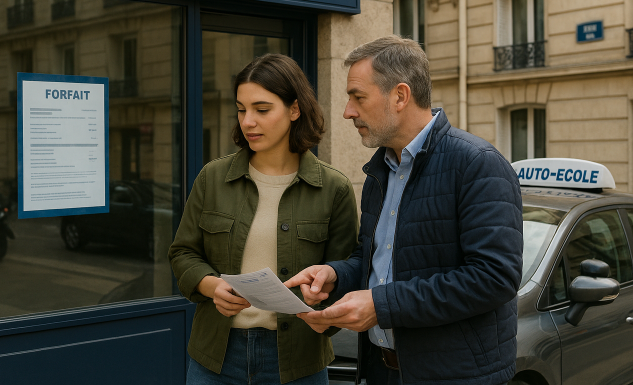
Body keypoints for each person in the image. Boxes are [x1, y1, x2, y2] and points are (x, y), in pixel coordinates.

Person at [285, 36, 523, 385]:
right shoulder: (379, 171)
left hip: (456, 378)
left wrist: (381, 306)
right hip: (383, 371)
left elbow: (494, 278)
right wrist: (335, 275)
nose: (348, 111)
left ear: (400, 96)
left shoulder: (477, 164)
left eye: (358, 97)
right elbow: (376, 262)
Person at [169, 54, 360, 385]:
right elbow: (182, 253)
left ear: (294, 109)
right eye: (241, 109)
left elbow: (346, 272)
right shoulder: (212, 177)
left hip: (298, 360)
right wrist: (212, 286)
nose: (248, 122)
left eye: (261, 109)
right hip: (216, 356)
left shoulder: (334, 188)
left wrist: (322, 297)